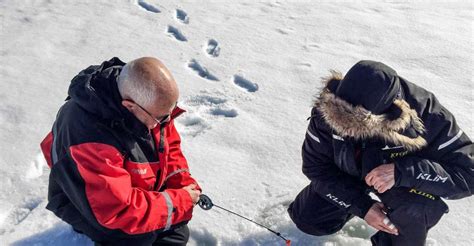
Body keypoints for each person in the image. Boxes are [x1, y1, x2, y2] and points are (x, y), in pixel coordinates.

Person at [288, 60, 474, 245]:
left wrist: (403, 172)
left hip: (402, 185)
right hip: (349, 173)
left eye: (358, 126)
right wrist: (363, 207)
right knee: (308, 219)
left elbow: (469, 175)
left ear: (391, 115)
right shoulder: (327, 110)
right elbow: (316, 168)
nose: (346, 131)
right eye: (340, 123)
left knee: (415, 209)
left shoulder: (430, 116)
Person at [40, 57, 201, 245]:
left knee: (175, 233)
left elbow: (168, 146)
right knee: (139, 237)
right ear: (129, 106)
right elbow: (118, 210)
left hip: (127, 187)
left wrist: (181, 183)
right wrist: (178, 201)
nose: (165, 122)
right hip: (91, 203)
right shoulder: (89, 136)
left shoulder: (150, 103)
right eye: (160, 119)